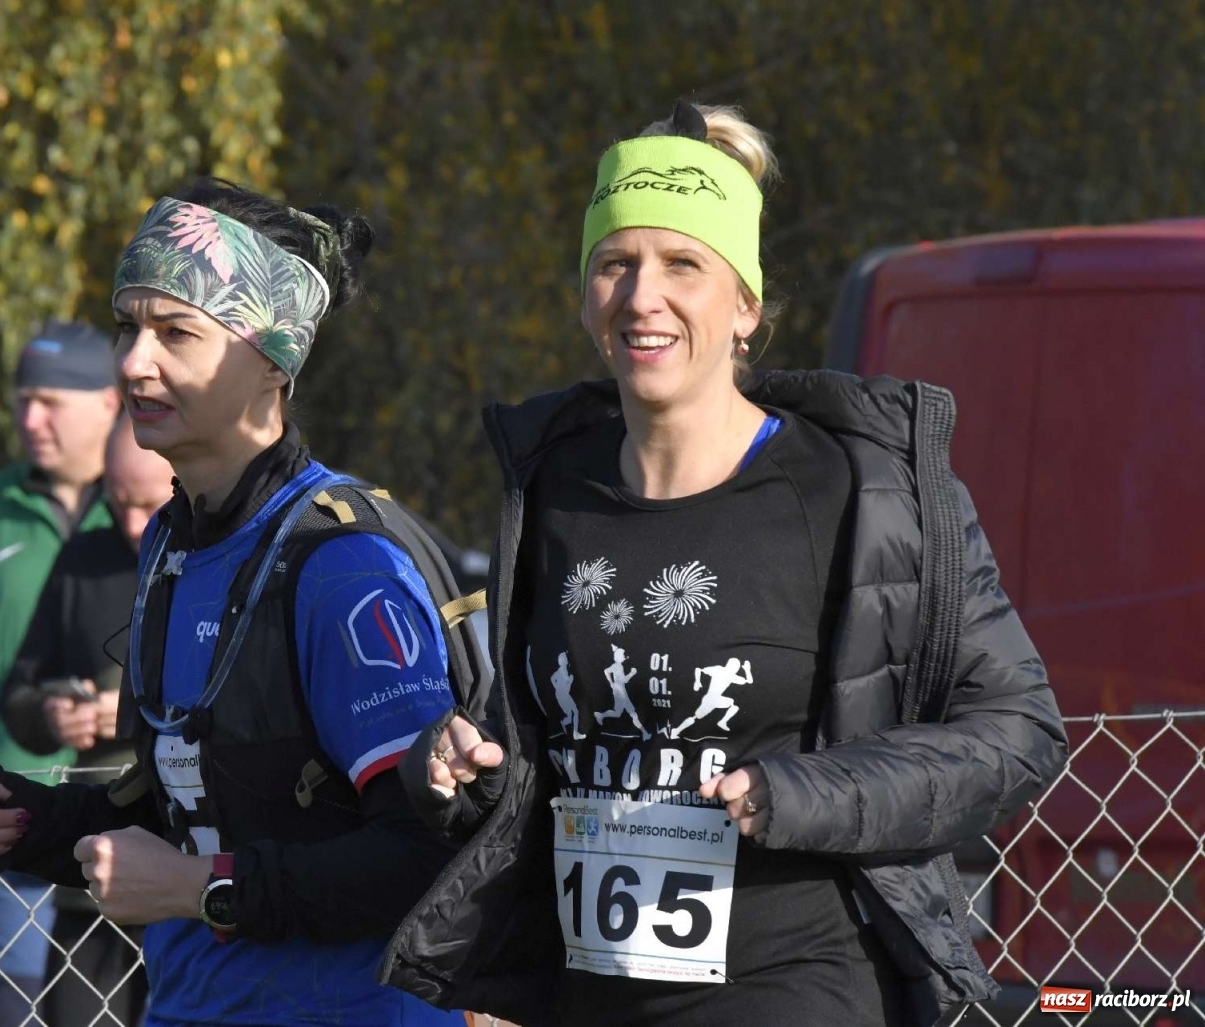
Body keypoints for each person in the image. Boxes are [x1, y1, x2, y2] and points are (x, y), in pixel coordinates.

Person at [382, 101, 1069, 1027]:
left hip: (796, 986)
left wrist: (804, 792)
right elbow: (550, 752)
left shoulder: (864, 493)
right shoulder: (547, 489)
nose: (641, 297)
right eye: (614, 264)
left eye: (683, 266)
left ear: (746, 305)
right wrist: (463, 772)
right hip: (588, 1000)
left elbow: (1021, 730)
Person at [0, 178, 466, 1026]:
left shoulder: (341, 566)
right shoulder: (173, 544)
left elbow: (421, 855)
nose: (131, 362)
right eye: (128, 325)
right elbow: (196, 813)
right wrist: (37, 823)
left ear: (271, 361)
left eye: (175, 331)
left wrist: (205, 892)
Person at [0, 322, 122, 1026]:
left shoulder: (152, 501)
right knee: (18, 1005)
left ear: (109, 403)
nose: (29, 419)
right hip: (10, 802)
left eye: (50, 402)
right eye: (22, 401)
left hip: (120, 802)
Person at [0, 416, 173, 1026]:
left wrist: (131, 713)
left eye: (150, 504)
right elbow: (15, 696)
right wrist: (51, 714)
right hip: (91, 876)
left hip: (191, 868)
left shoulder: (214, 560)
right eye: (116, 502)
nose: (131, 525)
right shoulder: (82, 561)